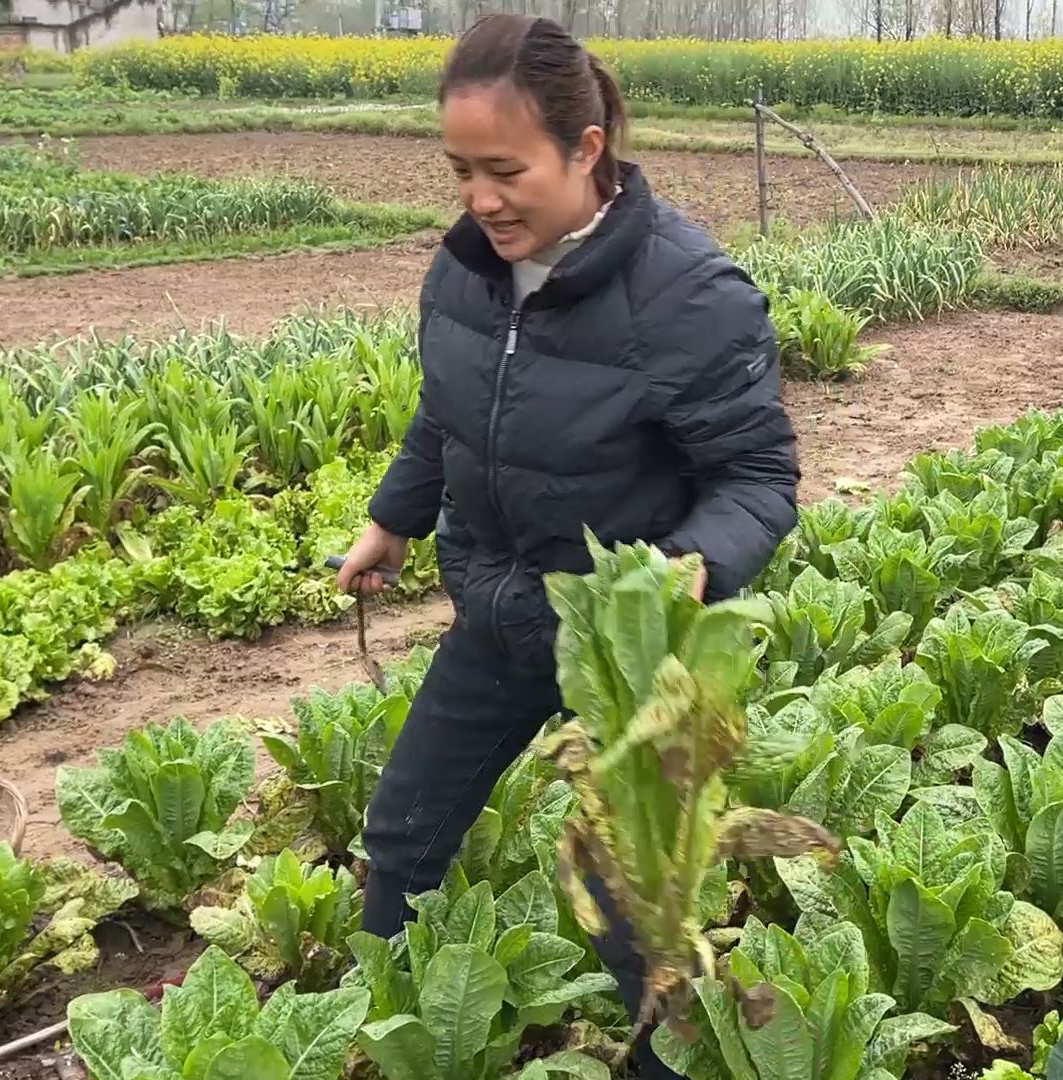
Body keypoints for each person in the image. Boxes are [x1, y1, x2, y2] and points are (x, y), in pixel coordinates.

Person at [337, 13, 799, 1075]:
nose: (480, 200)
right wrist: (392, 519)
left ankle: (661, 1063)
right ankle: (394, 1034)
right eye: (459, 171)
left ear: (586, 150)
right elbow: (446, 413)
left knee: (633, 906)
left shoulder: (689, 294)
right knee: (403, 833)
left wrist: (689, 571)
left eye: (505, 170)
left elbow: (758, 478)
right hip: (500, 616)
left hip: (628, 652)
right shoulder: (466, 272)